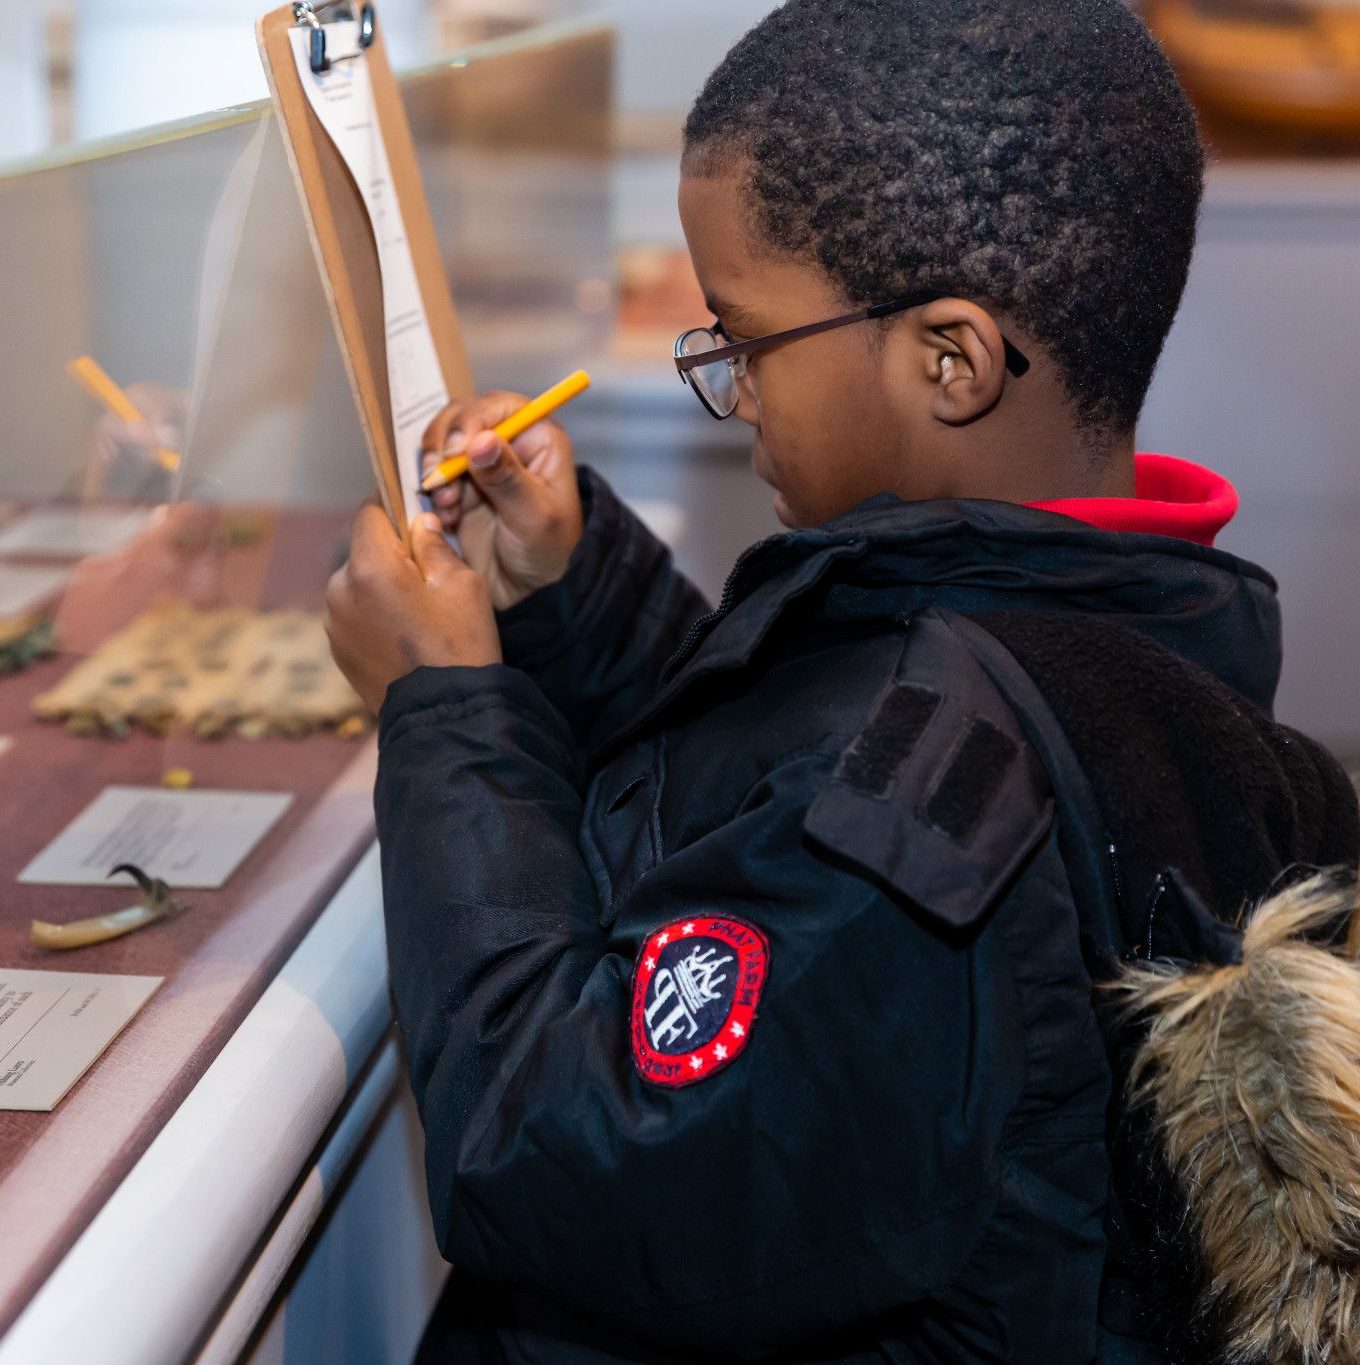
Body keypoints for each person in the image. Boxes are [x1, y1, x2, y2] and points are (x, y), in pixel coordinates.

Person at [323, 1, 1360, 1360]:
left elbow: (550, 1152)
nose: (735, 390)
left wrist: (447, 706)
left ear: (951, 358)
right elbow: (772, 787)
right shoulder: (1098, 633)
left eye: (743, 340)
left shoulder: (922, 832)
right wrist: (573, 588)